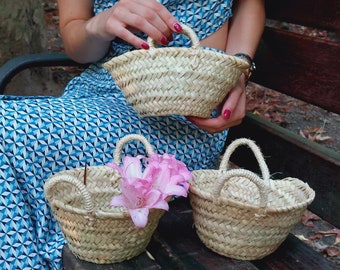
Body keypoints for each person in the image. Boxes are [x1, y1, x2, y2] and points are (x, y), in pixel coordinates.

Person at [0, 0, 265, 269]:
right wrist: (102, 23)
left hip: (184, 115)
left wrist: (239, 69)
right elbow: (75, 38)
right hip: (97, 96)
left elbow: (249, 4)